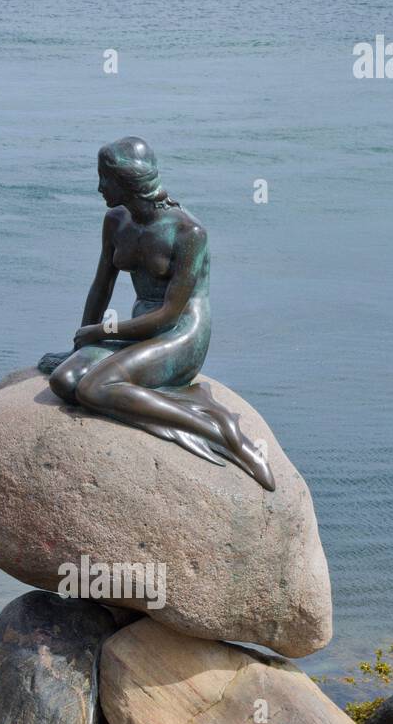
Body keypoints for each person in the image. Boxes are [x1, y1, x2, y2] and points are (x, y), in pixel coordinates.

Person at [38, 135, 275, 490]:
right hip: (137, 329)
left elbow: (168, 315)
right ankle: (161, 397)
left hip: (180, 334)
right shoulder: (116, 221)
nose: (100, 187)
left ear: (127, 180)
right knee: (63, 381)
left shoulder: (188, 232)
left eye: (106, 177)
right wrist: (80, 342)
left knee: (94, 387)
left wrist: (102, 333)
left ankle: (222, 432)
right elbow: (101, 286)